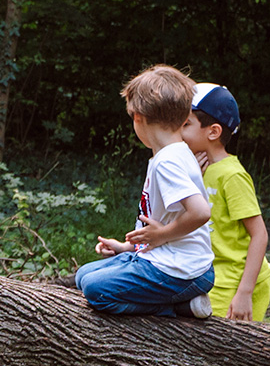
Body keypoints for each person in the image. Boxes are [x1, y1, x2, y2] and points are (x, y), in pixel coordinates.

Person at [77, 64, 215, 318]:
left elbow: (200, 212)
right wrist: (126, 247)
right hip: (170, 260)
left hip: (181, 271)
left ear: (137, 117)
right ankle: (178, 302)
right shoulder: (174, 154)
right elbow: (166, 220)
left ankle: (175, 308)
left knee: (95, 290)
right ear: (184, 116)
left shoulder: (167, 162)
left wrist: (161, 235)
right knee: (83, 275)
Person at [187, 82, 270, 321]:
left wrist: (244, 292)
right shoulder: (198, 169)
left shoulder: (232, 175)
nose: (177, 131)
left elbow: (259, 235)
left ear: (213, 132)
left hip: (236, 280)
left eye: (185, 124)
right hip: (211, 274)